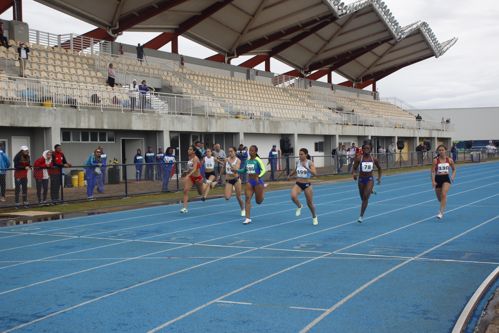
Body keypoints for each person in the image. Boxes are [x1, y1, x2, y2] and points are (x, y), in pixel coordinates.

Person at [352, 143, 382, 223]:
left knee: (365, 197)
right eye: (364, 148)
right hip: (361, 180)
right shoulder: (359, 158)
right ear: (362, 149)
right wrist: (354, 174)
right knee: (362, 198)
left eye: (368, 148)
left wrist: (379, 178)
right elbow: (354, 168)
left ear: (371, 150)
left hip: (369, 179)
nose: (366, 150)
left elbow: (379, 168)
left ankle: (361, 216)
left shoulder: (374, 159)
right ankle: (370, 190)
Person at [288, 148, 318, 225]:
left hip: (307, 185)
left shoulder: (310, 162)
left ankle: (314, 217)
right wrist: (290, 175)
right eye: (299, 154)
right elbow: (295, 170)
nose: (300, 156)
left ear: (306, 155)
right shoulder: (298, 162)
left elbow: (315, 173)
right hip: (298, 183)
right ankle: (299, 206)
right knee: (293, 196)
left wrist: (306, 168)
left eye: (301, 154)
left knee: (309, 203)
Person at [238, 145, 266, 224]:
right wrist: (236, 170)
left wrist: (259, 176)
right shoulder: (247, 161)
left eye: (252, 151)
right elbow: (244, 170)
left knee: (258, 201)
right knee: (247, 198)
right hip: (250, 181)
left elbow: (264, 170)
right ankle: (247, 218)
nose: (250, 152)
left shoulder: (258, 160)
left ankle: (263, 189)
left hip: (258, 182)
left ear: (256, 152)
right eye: (249, 151)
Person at [431, 145, 456, 219]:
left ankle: (441, 212)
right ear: (438, 151)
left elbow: (454, 169)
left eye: (442, 150)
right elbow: (432, 171)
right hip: (438, 179)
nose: (441, 151)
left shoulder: (450, 160)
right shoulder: (435, 160)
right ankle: (443, 202)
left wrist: (452, 176)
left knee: (444, 194)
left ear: (445, 151)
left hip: (446, 178)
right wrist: (433, 181)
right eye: (439, 150)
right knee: (440, 199)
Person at [180, 145, 204, 213]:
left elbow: (194, 169)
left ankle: (208, 185)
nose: (188, 150)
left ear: (193, 151)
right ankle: (184, 208)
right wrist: (186, 172)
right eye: (188, 149)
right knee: (185, 190)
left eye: (190, 149)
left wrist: (188, 175)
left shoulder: (195, 158)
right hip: (191, 178)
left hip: (198, 178)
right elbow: (190, 168)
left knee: (200, 193)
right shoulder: (189, 157)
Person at [223, 147, 244, 216]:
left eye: (231, 151)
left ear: (235, 152)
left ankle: (243, 209)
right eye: (229, 152)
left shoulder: (238, 160)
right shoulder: (226, 160)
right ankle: (232, 188)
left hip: (236, 180)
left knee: (238, 197)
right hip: (228, 180)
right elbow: (223, 168)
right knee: (227, 197)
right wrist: (219, 176)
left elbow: (235, 170)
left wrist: (229, 162)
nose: (230, 153)